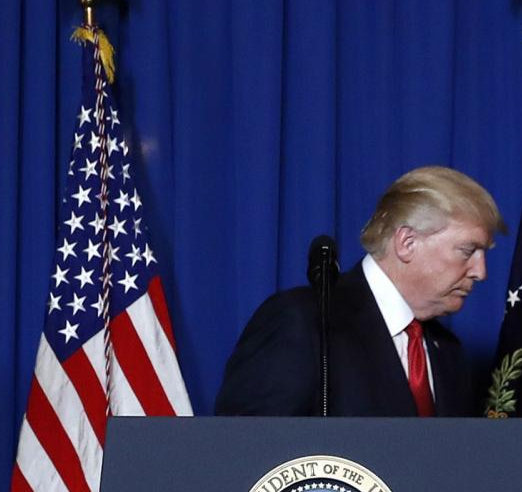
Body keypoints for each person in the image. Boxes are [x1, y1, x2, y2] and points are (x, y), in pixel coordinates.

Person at [213, 165, 504, 417]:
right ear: (407, 242)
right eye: (468, 251)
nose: (481, 272)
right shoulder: (307, 322)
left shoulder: (448, 353)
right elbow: (247, 458)